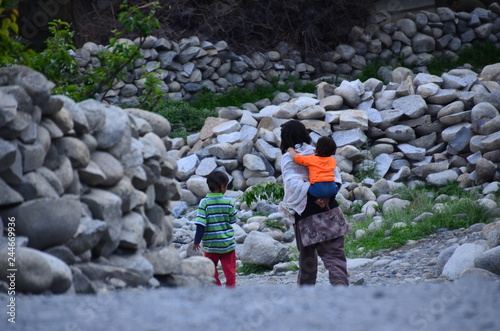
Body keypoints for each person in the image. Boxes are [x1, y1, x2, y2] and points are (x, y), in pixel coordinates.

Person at [280, 120, 350, 286]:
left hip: (306, 216)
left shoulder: (288, 158)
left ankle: (306, 299)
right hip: (329, 211)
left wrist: (312, 194)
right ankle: (342, 291)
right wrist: (326, 196)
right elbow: (335, 179)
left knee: (307, 261)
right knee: (335, 256)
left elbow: (292, 184)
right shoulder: (320, 152)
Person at [193, 171, 237, 287]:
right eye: (226, 186)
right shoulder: (229, 202)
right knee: (230, 270)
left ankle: (216, 289)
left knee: (211, 270)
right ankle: (231, 290)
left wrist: (196, 241)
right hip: (227, 245)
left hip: (211, 246)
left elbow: (200, 224)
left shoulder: (204, 203)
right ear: (222, 187)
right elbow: (233, 220)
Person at [287, 136, 338, 210]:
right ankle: (325, 200)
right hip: (332, 189)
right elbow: (323, 160)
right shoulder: (332, 160)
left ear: (316, 148)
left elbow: (296, 158)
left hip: (317, 189)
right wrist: (319, 152)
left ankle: (295, 206)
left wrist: (290, 149)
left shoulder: (311, 159)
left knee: (302, 188)